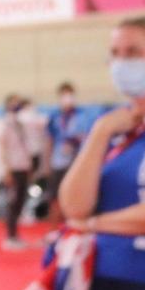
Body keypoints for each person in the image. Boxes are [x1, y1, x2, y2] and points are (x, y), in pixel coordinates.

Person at [59, 16, 145, 290]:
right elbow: (73, 206)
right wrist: (99, 134)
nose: (121, 62)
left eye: (133, 53)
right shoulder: (112, 125)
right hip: (102, 277)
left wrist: (93, 224)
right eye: (115, 53)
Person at [44, 82, 86, 225]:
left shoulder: (81, 115)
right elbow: (49, 140)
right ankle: (53, 229)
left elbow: (86, 137)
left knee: (74, 196)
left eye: (70, 94)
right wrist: (47, 163)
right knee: (54, 196)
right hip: (58, 161)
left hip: (76, 162)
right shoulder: (54, 117)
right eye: (64, 95)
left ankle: (72, 227)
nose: (67, 98)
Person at [1, 93, 32, 250]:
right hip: (13, 168)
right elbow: (3, 147)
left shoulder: (20, 124)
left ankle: (16, 235)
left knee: (20, 202)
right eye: (13, 103)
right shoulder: (6, 124)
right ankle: (10, 236)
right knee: (13, 203)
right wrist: (7, 169)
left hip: (23, 167)